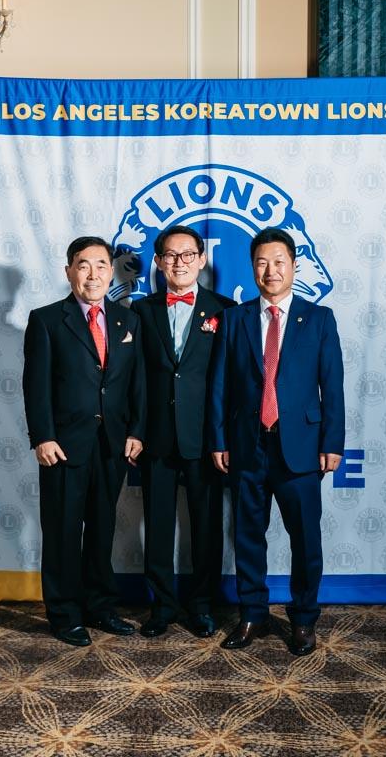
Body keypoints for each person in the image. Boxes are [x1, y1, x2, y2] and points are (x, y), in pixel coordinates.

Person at [209, 227, 345, 656]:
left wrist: (332, 443)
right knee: (248, 535)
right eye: (262, 262)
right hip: (247, 445)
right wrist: (218, 439)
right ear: (253, 267)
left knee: (305, 539)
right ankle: (253, 613)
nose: (271, 270)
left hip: (300, 448)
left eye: (279, 261)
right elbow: (220, 386)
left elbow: (332, 387)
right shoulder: (235, 319)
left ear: (293, 266)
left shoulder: (319, 318)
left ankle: (303, 619)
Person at [23, 236, 146, 647]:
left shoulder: (127, 321)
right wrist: (43, 437)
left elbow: (136, 383)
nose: (92, 274)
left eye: (101, 265)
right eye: (83, 265)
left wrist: (136, 430)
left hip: (112, 444)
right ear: (68, 271)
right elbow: (35, 386)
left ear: (111, 272)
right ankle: (64, 614)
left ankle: (100, 606)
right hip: (63, 445)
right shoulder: (46, 320)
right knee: (62, 530)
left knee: (101, 527)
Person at [131, 225, 235, 638]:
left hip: (205, 439)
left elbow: (230, 382)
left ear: (202, 259)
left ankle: (202, 604)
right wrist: (136, 431)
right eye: (170, 256)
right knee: (157, 526)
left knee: (206, 526)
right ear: (158, 262)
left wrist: (223, 437)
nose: (179, 262)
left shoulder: (225, 310)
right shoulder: (140, 311)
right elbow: (135, 378)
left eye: (188, 254)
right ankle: (161, 607)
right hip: (155, 436)